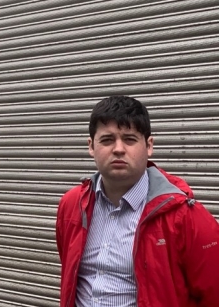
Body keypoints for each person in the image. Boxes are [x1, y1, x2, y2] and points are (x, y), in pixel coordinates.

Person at [55, 95, 219, 307]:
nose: (119, 149)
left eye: (130, 139)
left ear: (149, 146)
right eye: (107, 140)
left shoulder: (186, 216)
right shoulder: (72, 205)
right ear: (91, 146)